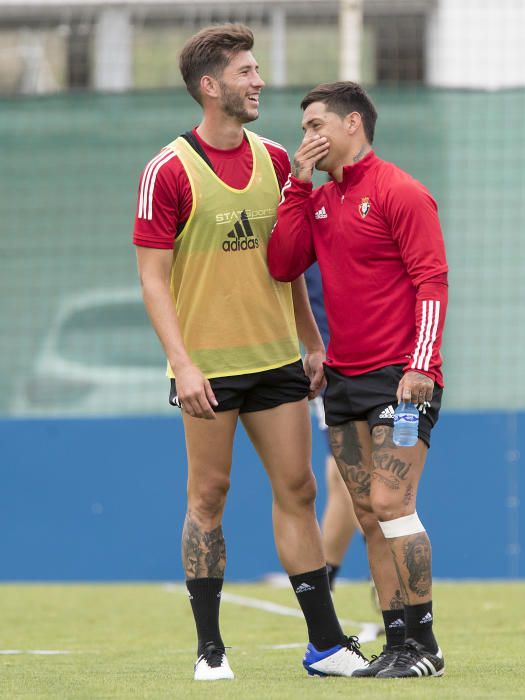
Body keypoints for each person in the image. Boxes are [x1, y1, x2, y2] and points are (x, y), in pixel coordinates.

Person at [132, 29, 367, 681]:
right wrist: (182, 363)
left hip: (276, 361)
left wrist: (312, 341)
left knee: (298, 488)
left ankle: (324, 645)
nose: (258, 81)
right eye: (246, 71)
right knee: (209, 496)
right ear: (211, 87)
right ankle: (210, 649)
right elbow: (152, 278)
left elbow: (286, 262)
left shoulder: (274, 160)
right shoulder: (168, 170)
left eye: (257, 69)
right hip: (206, 367)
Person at [268, 81, 449, 679]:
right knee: (368, 512)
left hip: (400, 379)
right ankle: (396, 643)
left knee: (394, 500)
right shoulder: (318, 201)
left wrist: (422, 363)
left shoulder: (401, 191)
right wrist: (296, 182)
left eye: (316, 125)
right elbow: (283, 262)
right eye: (303, 129)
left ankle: (425, 645)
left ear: (352, 125)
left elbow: (432, 281)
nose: (307, 138)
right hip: (342, 381)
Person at [304, 263, 357, 591]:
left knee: (354, 476)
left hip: (352, 366)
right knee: (340, 476)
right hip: (329, 366)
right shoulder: (303, 224)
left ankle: (392, 596)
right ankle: (327, 579)